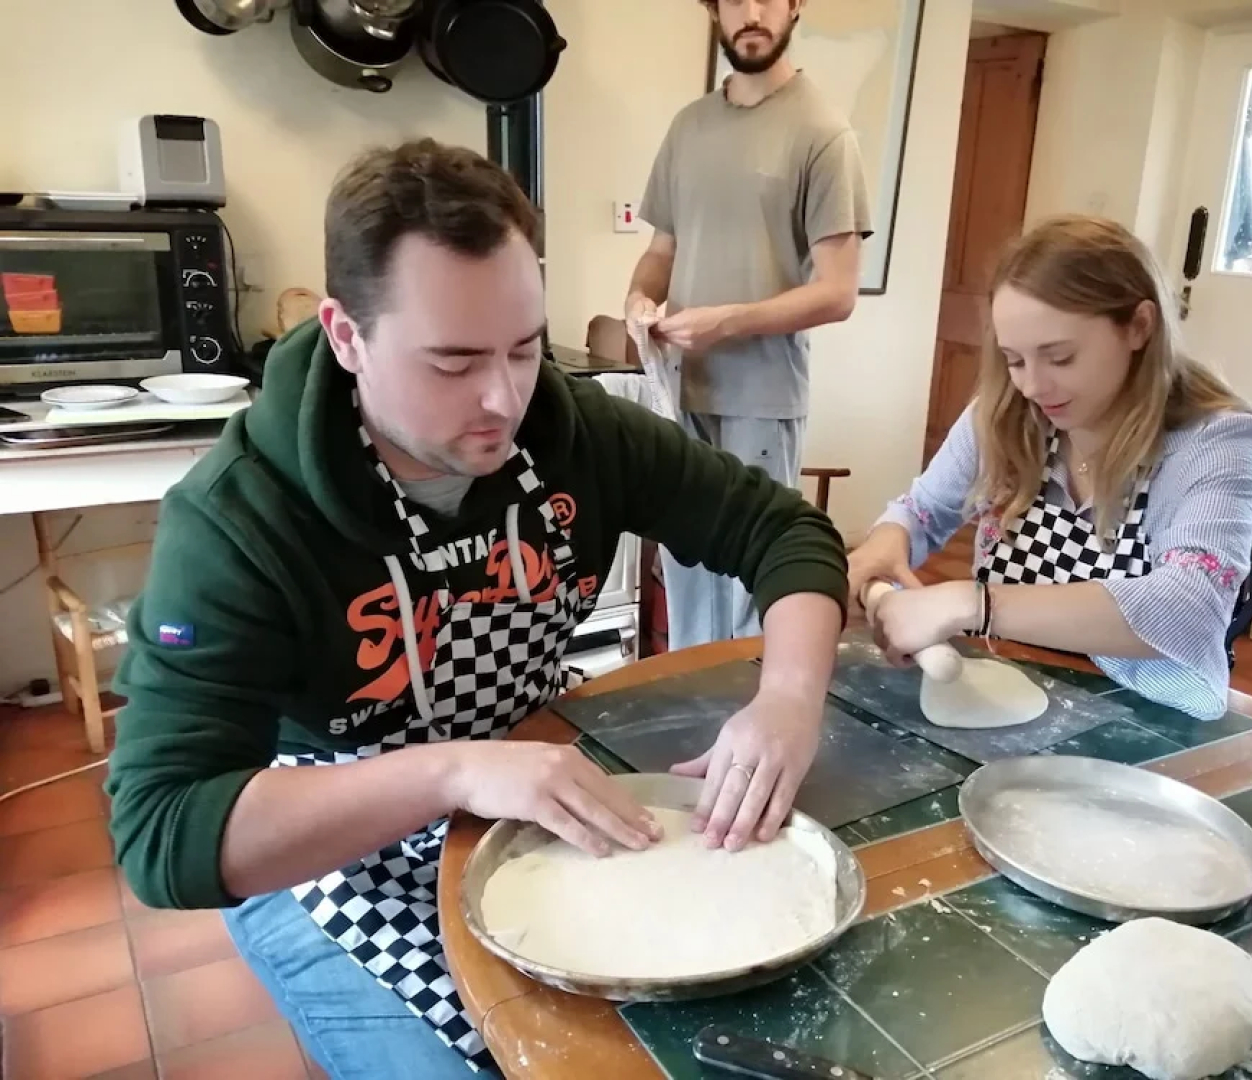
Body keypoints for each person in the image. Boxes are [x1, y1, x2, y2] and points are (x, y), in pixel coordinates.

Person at [105, 139, 850, 1080]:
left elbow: (785, 533)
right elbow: (164, 834)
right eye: (452, 362)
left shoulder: (576, 435)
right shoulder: (241, 521)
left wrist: (787, 696)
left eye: (524, 348)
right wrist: (450, 773)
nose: (502, 398)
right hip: (326, 850)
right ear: (346, 337)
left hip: (540, 782)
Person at [847, 216, 1252, 722]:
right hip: (1006, 692)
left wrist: (975, 604)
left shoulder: (1215, 442)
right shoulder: (1007, 413)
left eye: (1060, 357)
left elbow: (1190, 607)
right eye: (1014, 360)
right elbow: (923, 510)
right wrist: (885, 543)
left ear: (1139, 326)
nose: (1033, 386)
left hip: (1149, 721)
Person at [625, 0, 871, 649]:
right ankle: (691, 720)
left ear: (796, 6)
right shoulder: (687, 127)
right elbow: (660, 251)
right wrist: (637, 302)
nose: (753, 12)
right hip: (682, 389)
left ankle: (747, 730)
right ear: (713, 9)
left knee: (742, 585)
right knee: (685, 573)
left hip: (763, 398)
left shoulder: (824, 132)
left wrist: (726, 323)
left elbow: (837, 292)